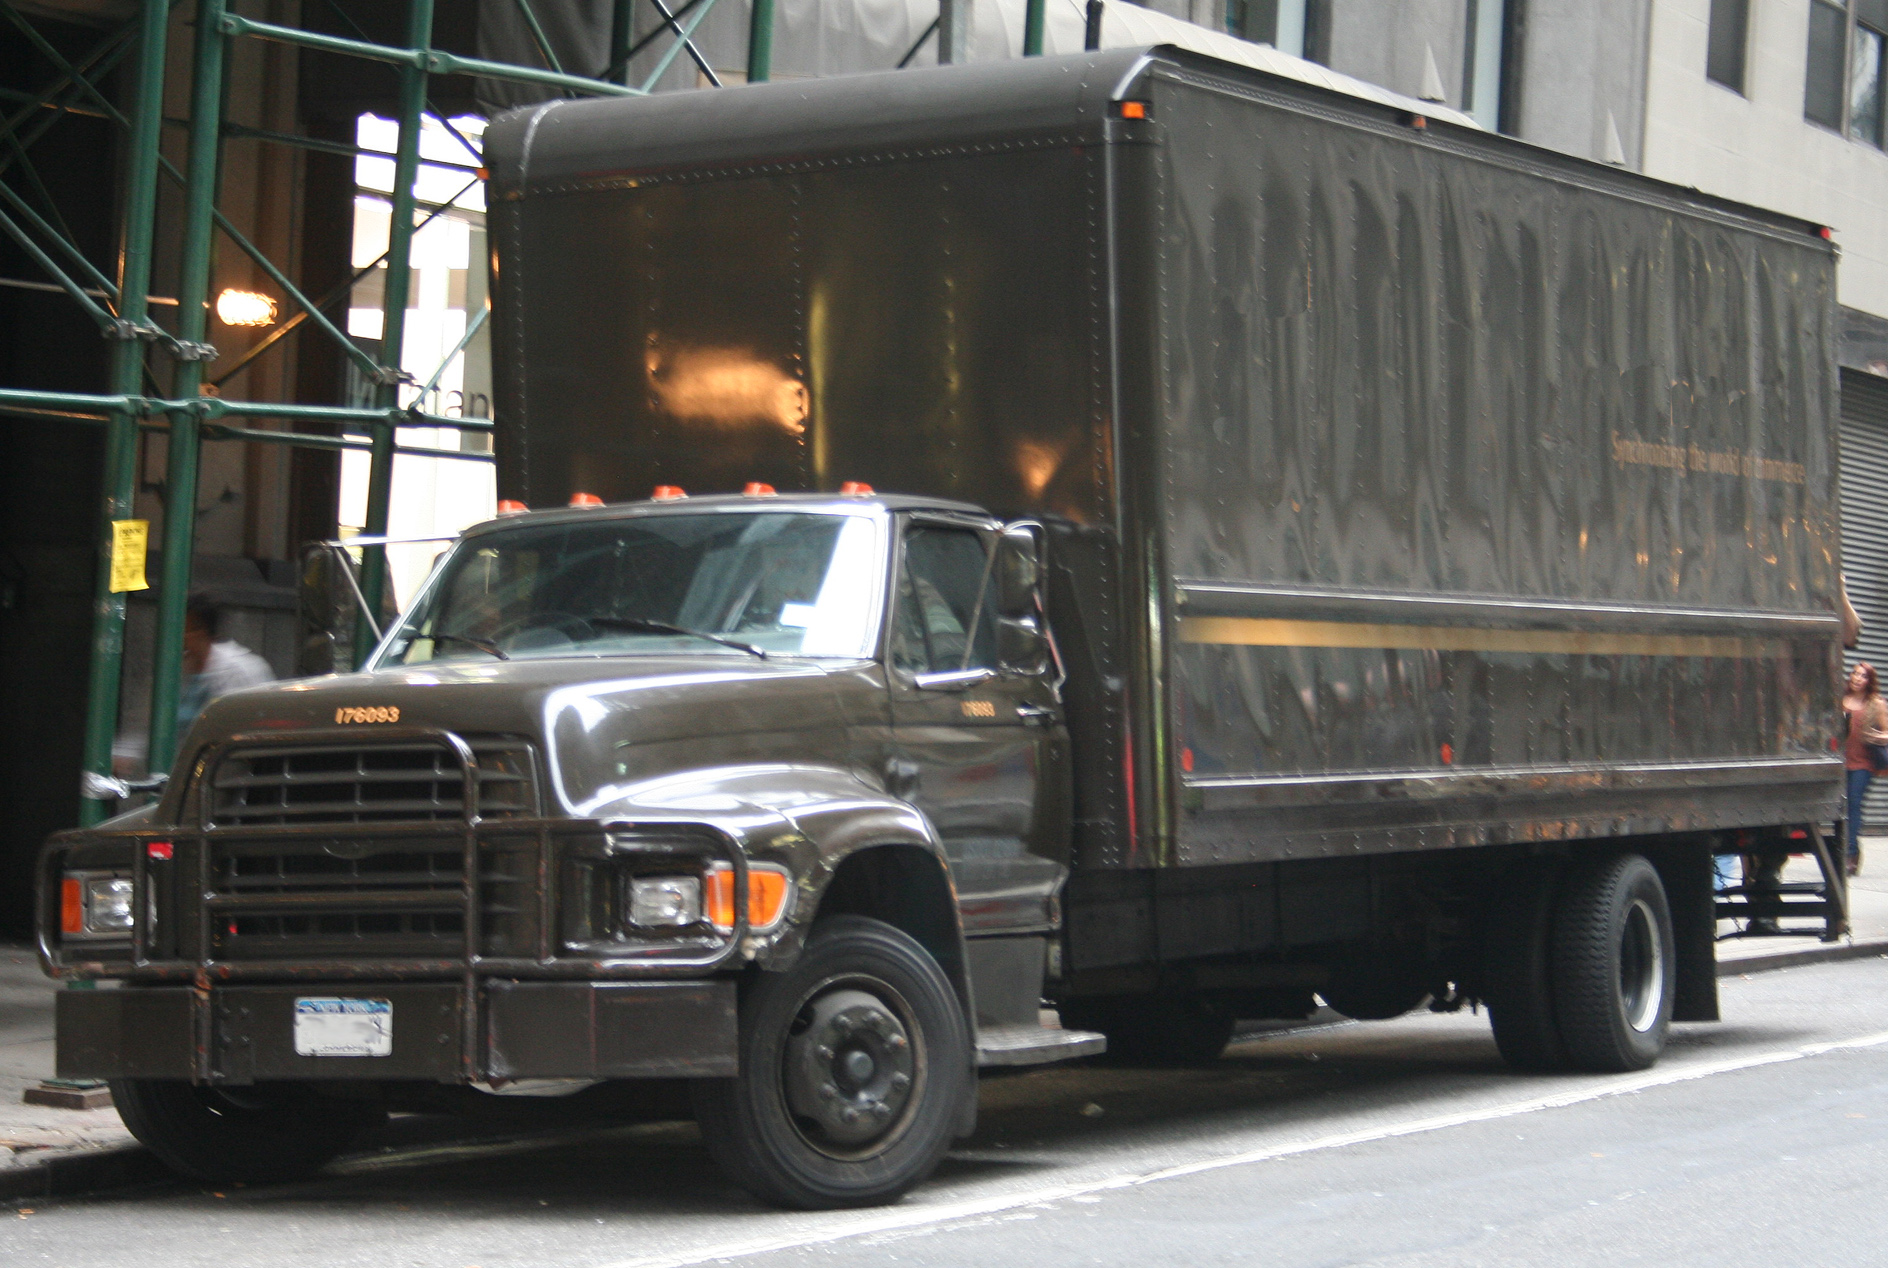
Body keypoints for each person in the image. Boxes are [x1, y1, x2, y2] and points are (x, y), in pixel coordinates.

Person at [177, 593, 274, 735]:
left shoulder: (238, 671)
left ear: (201, 631)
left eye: (186, 630)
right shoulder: (175, 669)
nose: (181, 637)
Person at [1841, 661, 1888, 877]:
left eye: (1863, 676)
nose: (1858, 678)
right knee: (1840, 808)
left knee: (1854, 803)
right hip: (1841, 761)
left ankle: (1850, 854)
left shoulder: (1876, 704)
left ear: (1869, 681)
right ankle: (1847, 848)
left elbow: (1887, 732)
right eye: (1855, 674)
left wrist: (1880, 736)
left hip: (1863, 764)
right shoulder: (1840, 699)